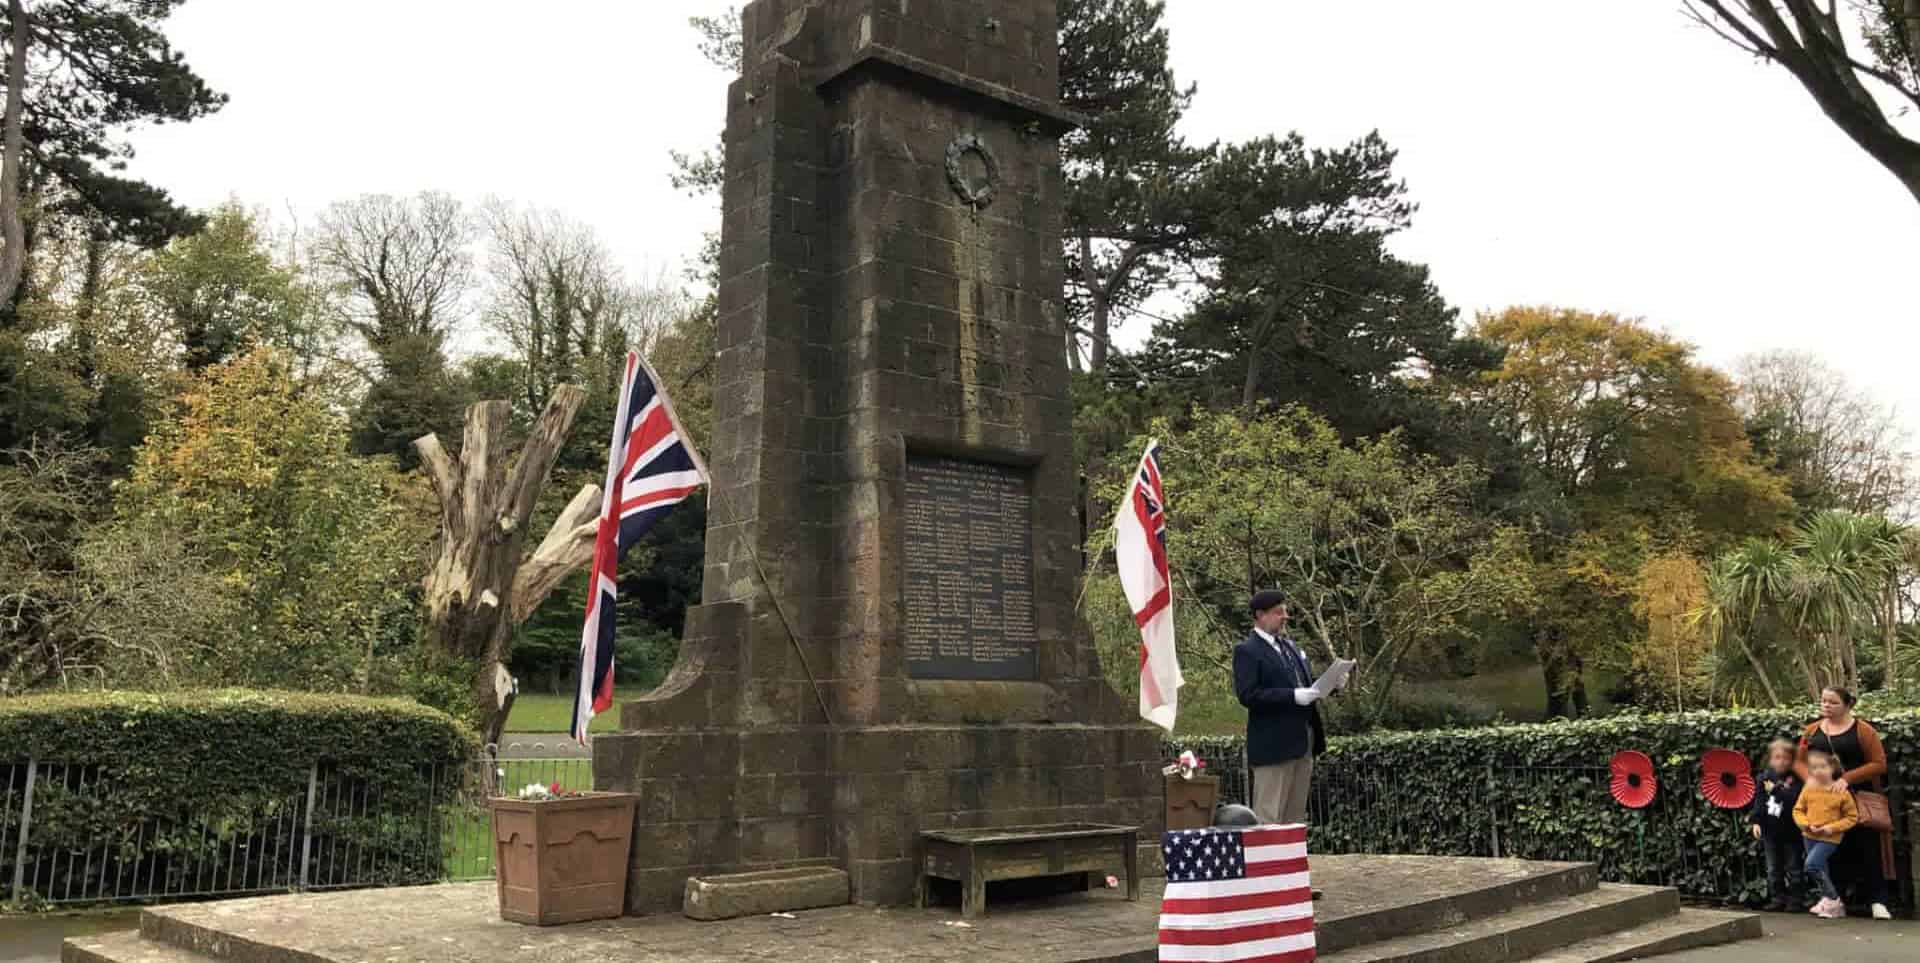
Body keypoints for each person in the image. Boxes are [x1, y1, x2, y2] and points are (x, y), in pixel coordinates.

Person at [1232, 591, 1334, 826]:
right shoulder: (1247, 651)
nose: (1285, 617)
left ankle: (1293, 862)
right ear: (1260, 615)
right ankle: (1269, 863)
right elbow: (1248, 695)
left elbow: (1307, 686)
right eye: (1279, 612)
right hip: (1273, 745)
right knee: (1270, 816)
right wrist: (1292, 696)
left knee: (1294, 816)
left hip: (1303, 740)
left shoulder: (1290, 647)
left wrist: (1333, 684)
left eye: (1285, 611)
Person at [1793, 686, 1894, 920]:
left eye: (1833, 702)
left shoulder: (1864, 731)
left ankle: (1878, 900)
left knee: (1867, 848)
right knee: (1829, 851)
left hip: (1857, 798)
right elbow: (1799, 761)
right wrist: (1810, 780)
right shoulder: (1812, 731)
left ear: (1847, 705)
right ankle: (1834, 900)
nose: (1826, 706)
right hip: (1824, 802)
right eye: (1824, 701)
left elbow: (1879, 763)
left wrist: (1847, 779)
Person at [1793, 750, 1859, 920]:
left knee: (1811, 865)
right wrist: (1805, 824)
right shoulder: (1809, 788)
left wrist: (1831, 828)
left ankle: (1834, 900)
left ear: (1832, 768)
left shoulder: (1841, 792)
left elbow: (1852, 817)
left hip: (1830, 838)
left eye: (1823, 767)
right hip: (1809, 835)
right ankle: (1829, 904)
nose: (1819, 771)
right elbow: (1798, 809)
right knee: (1821, 868)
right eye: (1815, 768)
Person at [1748, 738, 1804, 912]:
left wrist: (1776, 790)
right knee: (1773, 868)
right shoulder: (1764, 777)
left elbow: (1794, 799)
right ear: (1770, 759)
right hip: (1770, 830)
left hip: (1791, 830)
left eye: (1786, 758)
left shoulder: (1796, 780)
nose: (1781, 761)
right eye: (1777, 757)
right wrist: (1756, 821)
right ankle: (1778, 898)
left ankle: (1796, 900)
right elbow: (1759, 801)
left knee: (1794, 867)